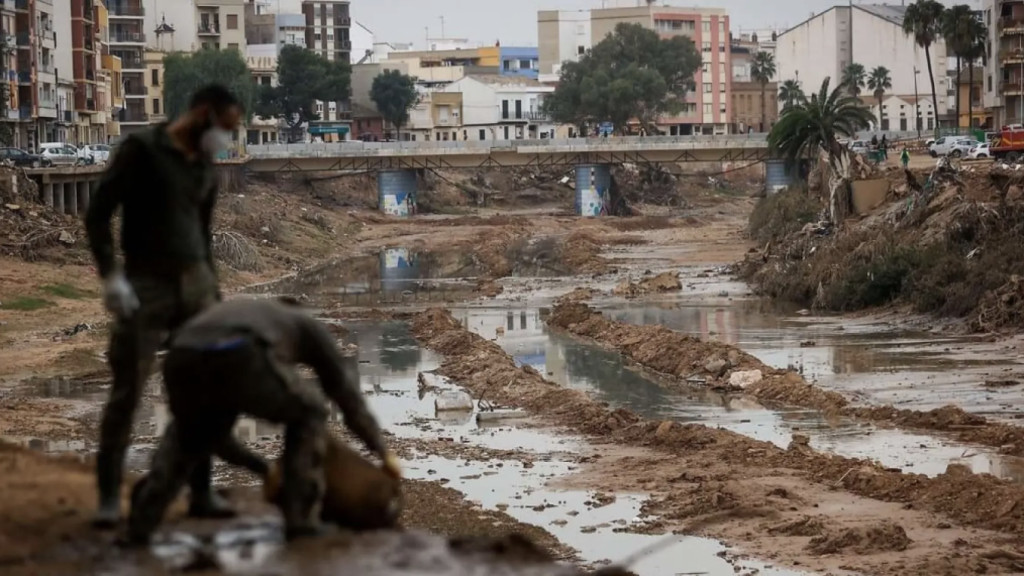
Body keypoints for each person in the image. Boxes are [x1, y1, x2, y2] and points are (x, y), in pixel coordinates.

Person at [84, 84, 243, 529]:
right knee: (127, 392)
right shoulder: (142, 150)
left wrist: (213, 291)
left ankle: (201, 494)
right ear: (204, 114)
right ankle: (109, 500)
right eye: (226, 128)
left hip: (196, 291)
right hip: (145, 288)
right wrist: (110, 276)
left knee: (202, 394)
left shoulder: (204, 165)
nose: (226, 140)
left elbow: (204, 233)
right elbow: (98, 213)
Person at [125, 298, 401, 545]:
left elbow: (217, 439)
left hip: (180, 355)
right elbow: (345, 394)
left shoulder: (255, 311)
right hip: (241, 351)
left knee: (189, 433)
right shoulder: (307, 326)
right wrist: (381, 450)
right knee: (311, 410)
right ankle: (300, 520)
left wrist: (263, 468)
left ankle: (141, 525)